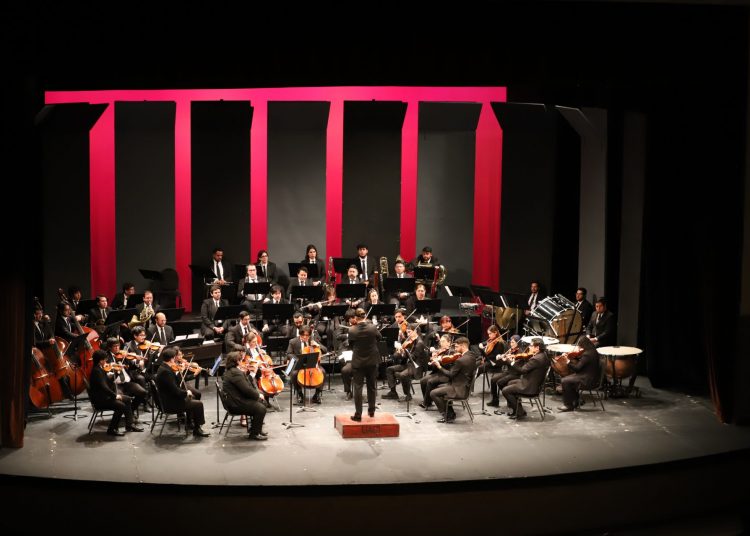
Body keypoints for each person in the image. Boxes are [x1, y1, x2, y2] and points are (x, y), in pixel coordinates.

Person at [155, 347, 209, 437]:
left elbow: (175, 383)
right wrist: (186, 392)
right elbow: (175, 390)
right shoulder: (166, 372)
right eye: (174, 358)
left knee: (193, 398)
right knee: (198, 404)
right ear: (171, 359)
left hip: (168, 398)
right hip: (170, 403)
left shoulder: (163, 367)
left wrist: (181, 372)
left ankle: (190, 423)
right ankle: (197, 429)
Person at [88, 349, 142, 435]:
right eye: (105, 360)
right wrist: (115, 396)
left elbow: (105, 383)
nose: (106, 361)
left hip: (104, 397)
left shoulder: (99, 369)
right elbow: (104, 387)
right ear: (101, 361)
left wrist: (112, 375)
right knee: (121, 406)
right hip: (101, 400)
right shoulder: (97, 371)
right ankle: (111, 429)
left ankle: (129, 425)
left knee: (127, 399)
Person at [429, 336, 477, 423]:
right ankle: (451, 413)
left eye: (457, 347)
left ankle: (447, 415)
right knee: (439, 387)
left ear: (463, 346)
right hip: (464, 385)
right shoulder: (472, 355)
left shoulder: (460, 360)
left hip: (458, 389)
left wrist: (439, 367)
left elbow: (450, 375)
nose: (455, 349)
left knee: (433, 393)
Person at [500, 337, 550, 419]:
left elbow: (522, 370)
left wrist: (510, 362)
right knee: (510, 383)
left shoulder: (536, 359)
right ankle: (518, 410)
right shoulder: (543, 355)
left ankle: (519, 412)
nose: (529, 347)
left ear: (537, 348)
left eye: (531, 346)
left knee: (505, 390)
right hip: (533, 382)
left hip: (530, 387)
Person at [222, 351, 268, 440]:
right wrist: (258, 395)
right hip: (236, 403)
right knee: (260, 408)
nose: (242, 362)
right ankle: (254, 434)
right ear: (237, 361)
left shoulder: (231, 371)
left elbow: (245, 385)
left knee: (262, 403)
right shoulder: (235, 373)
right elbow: (246, 390)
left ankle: (256, 428)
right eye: (241, 360)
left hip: (235, 400)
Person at [348, 308, 382, 421]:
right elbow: (379, 337)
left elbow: (351, 345)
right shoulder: (372, 327)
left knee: (358, 388)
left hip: (358, 362)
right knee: (371, 386)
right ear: (364, 316)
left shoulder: (352, 330)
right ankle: (371, 411)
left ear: (355, 318)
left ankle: (358, 415)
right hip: (372, 361)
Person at [383, 323, 429, 401]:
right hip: (408, 364)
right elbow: (404, 357)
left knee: (403, 375)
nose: (408, 334)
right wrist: (401, 352)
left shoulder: (419, 343)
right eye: (407, 332)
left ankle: (408, 395)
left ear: (415, 331)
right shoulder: (410, 341)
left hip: (416, 367)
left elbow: (413, 357)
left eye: (409, 332)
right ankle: (393, 392)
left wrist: (404, 352)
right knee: (389, 369)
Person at [556, 336, 601, 411]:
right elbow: (584, 363)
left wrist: (568, 361)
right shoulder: (593, 350)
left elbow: (577, 368)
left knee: (565, 381)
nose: (580, 348)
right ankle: (577, 400)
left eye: (580, 346)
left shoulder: (587, 355)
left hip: (587, 379)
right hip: (592, 376)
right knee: (568, 380)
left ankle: (568, 405)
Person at [285, 326, 327, 404]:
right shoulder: (293, 341)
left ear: (310, 335)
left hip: (314, 365)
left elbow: (325, 350)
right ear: (300, 334)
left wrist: (318, 345)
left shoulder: (313, 340)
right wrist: (298, 358)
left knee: (323, 372)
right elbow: (289, 354)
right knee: (294, 374)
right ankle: (300, 394)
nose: (305, 337)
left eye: (307, 335)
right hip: (300, 364)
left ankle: (317, 395)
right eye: (303, 335)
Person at [488, 334, 523, 408]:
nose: (511, 344)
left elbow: (516, 366)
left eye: (513, 342)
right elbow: (506, 362)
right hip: (509, 372)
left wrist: (507, 360)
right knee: (493, 379)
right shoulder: (511, 350)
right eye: (510, 342)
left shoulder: (520, 352)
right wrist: (501, 358)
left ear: (518, 342)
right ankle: (495, 400)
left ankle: (511, 399)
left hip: (515, 373)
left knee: (500, 382)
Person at [334, 310, 357, 400]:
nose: (353, 320)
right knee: (344, 364)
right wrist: (348, 335)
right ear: (348, 319)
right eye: (351, 318)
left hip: (356, 349)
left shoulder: (359, 323)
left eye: (354, 317)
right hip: (345, 348)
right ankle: (348, 391)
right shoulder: (343, 324)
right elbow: (338, 336)